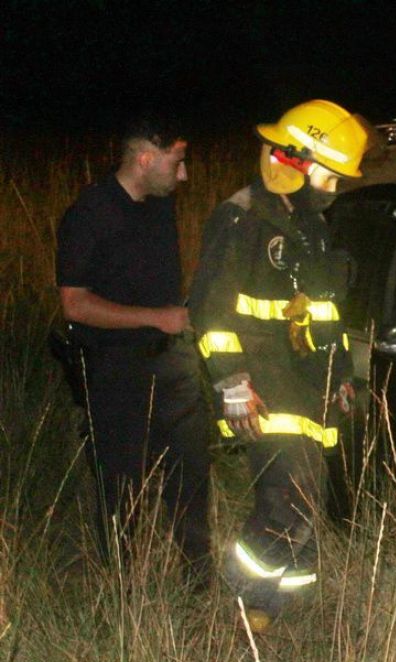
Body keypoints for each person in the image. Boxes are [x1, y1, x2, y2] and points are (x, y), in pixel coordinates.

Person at [190, 100, 368, 632]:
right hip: (263, 383)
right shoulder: (242, 217)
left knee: (307, 497)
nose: (332, 191)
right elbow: (210, 310)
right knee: (285, 496)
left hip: (308, 383)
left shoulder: (309, 224)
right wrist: (233, 382)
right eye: (329, 178)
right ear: (294, 160)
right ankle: (248, 606)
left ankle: (287, 611)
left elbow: (324, 310)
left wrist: (340, 377)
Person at [55, 115, 212, 582]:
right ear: (145, 158)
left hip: (172, 362)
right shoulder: (90, 213)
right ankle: (123, 595)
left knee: (191, 478)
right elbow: (75, 304)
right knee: (122, 488)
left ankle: (198, 583)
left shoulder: (160, 205)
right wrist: (154, 317)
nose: (183, 175)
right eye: (177, 163)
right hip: (114, 370)